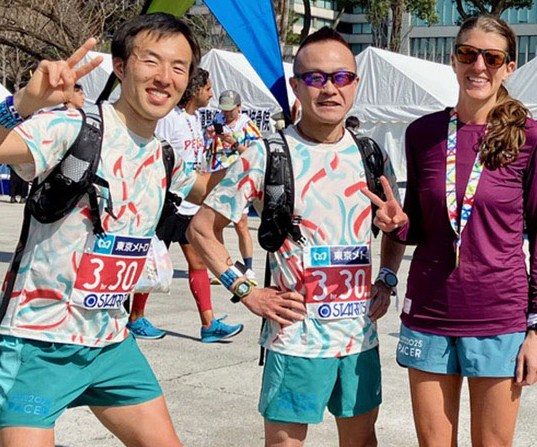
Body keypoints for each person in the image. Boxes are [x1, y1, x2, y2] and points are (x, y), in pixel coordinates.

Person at [0, 13, 209, 446]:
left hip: (111, 342)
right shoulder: (72, 126)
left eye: (178, 67)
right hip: (38, 342)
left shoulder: (166, 157)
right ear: (121, 67)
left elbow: (214, 190)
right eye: (152, 61)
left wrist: (281, 156)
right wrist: (23, 104)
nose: (165, 77)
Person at [188, 26, 401, 447]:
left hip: (359, 337)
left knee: (362, 441)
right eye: (315, 78)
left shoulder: (371, 154)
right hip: (295, 338)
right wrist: (247, 290)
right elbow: (201, 230)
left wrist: (389, 277)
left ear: (355, 84)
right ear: (296, 86)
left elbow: (394, 226)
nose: (329, 89)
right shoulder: (266, 153)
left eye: (341, 77)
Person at [383, 15, 537, 447]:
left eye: (492, 57)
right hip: (429, 313)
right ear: (454, 59)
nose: (478, 65)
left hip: (499, 315)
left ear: (509, 67)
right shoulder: (422, 133)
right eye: (468, 53)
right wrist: (397, 225)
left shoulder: (531, 139)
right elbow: (419, 227)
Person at [127, 68, 245, 343]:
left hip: (190, 202)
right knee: (152, 262)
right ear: (195, 90)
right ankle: (135, 317)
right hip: (167, 203)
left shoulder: (194, 119)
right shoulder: (169, 118)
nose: (212, 94)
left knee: (198, 262)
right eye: (208, 88)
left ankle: (208, 324)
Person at [213, 90, 261, 272]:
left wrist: (234, 144)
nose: (226, 113)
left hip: (240, 179)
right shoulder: (217, 121)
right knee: (216, 225)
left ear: (239, 107)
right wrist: (210, 136)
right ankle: (221, 267)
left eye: (230, 110)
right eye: (224, 109)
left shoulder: (248, 126)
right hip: (217, 177)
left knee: (240, 224)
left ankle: (248, 268)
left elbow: (255, 154)